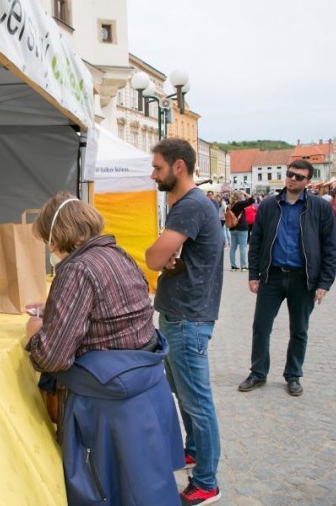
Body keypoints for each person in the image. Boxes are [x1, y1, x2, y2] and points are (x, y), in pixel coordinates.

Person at [25, 192, 183, 506]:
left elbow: (52, 356)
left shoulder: (76, 269)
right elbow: (109, 309)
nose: (48, 248)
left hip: (106, 399)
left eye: (47, 240)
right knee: (145, 490)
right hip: (144, 387)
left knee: (107, 490)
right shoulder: (119, 254)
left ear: (57, 236)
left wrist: (35, 332)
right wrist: (56, 309)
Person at [144, 139, 223, 505]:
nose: (153, 174)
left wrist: (161, 256)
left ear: (178, 167)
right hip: (182, 315)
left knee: (198, 402)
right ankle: (194, 451)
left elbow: (155, 257)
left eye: (158, 167)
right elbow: (174, 258)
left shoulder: (189, 205)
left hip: (187, 318)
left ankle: (206, 482)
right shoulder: (190, 205)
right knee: (186, 397)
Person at [238, 159, 336, 397]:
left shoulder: (319, 208)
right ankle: (258, 372)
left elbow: (330, 247)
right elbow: (257, 242)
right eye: (291, 174)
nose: (293, 179)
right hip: (272, 276)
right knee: (261, 326)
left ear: (308, 182)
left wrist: (324, 283)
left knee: (299, 329)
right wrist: (254, 274)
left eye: (299, 177)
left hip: (303, 278)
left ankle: (293, 375)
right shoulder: (269, 206)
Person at [228, 190, 255, 271]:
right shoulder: (239, 204)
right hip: (242, 228)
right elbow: (252, 200)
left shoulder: (230, 205)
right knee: (243, 247)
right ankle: (243, 266)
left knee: (233, 247)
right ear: (239, 196)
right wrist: (245, 193)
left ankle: (233, 266)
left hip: (233, 227)